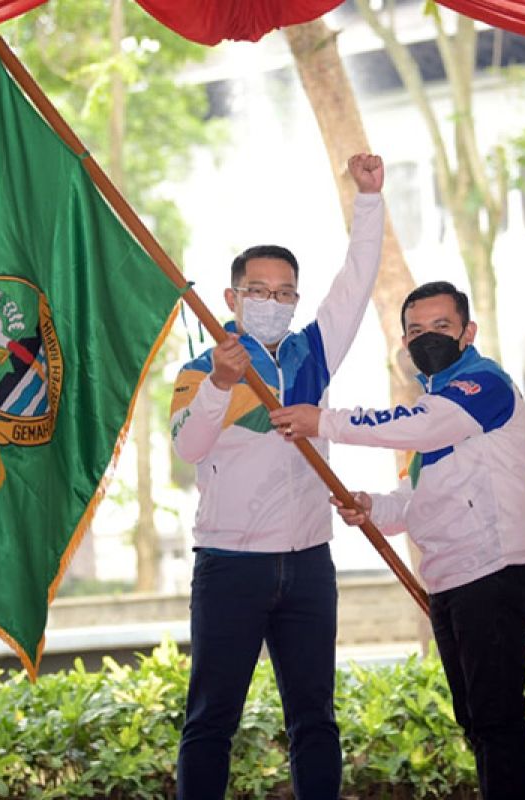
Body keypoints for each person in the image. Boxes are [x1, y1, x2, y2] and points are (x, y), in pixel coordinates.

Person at [269, 281, 525, 800]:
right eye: (416, 330)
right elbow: (418, 494)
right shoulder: (437, 400)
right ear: (403, 341)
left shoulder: (481, 385)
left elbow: (417, 429)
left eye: (441, 327)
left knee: (496, 723)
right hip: (454, 579)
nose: (428, 338)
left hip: (494, 572)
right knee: (479, 722)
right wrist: (374, 506)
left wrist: (322, 421)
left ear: (468, 332)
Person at [169, 153, 385, 800]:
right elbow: (188, 447)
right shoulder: (201, 368)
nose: (273, 302)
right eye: (258, 291)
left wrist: (369, 200)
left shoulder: (312, 351)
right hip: (231, 565)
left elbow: (355, 283)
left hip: (309, 564)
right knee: (211, 721)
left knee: (315, 719)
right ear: (232, 298)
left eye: (285, 292)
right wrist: (223, 385)